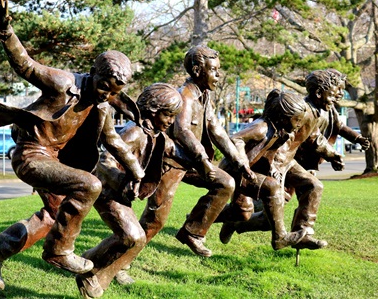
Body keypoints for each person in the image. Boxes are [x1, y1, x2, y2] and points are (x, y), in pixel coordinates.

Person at [0, 0, 145, 290]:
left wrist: (137, 171)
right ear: (93, 72)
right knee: (90, 185)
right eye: (103, 86)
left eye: (113, 91)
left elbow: (114, 142)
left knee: (52, 218)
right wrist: (5, 28)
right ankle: (58, 251)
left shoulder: (103, 106)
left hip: (57, 162)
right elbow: (25, 65)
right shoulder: (63, 84)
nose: (105, 94)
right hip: (31, 155)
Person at [138, 45, 255, 259]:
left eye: (219, 70)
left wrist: (240, 162)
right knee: (155, 221)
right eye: (213, 70)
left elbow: (217, 131)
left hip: (191, 162)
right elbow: (182, 131)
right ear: (197, 70)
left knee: (225, 183)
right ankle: (119, 260)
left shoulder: (205, 96)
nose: (218, 75)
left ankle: (192, 231)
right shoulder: (185, 96)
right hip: (171, 163)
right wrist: (202, 158)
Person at [76, 83, 188, 298]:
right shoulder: (134, 132)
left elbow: (176, 153)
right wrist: (122, 181)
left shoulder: (155, 134)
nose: (172, 121)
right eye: (169, 115)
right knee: (133, 236)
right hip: (108, 191)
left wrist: (207, 169)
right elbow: (104, 162)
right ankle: (89, 270)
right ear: (154, 112)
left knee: (136, 239)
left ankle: (95, 272)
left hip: (122, 194)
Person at [219, 69, 345, 250]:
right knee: (265, 217)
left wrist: (332, 155)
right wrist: (273, 168)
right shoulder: (300, 110)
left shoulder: (316, 113)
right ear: (318, 93)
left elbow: (314, 137)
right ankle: (233, 221)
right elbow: (278, 140)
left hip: (288, 164)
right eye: (334, 95)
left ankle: (304, 232)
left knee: (314, 185)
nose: (337, 98)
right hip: (272, 164)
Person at [215, 89, 308, 250]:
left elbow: (266, 153)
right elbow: (236, 139)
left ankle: (199, 218)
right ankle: (280, 237)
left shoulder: (278, 132)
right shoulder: (261, 128)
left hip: (248, 172)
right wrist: (242, 162)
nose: (299, 124)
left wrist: (272, 168)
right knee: (272, 188)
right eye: (297, 120)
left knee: (242, 212)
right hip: (236, 170)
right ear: (283, 117)